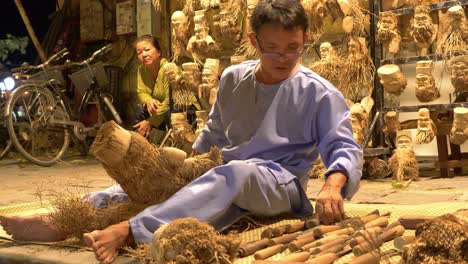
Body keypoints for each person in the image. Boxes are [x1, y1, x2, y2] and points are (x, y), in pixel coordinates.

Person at [0, 1, 363, 263]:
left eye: (294, 49)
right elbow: (215, 130)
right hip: (224, 171)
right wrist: (181, 169)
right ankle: (63, 219)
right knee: (159, 176)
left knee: (234, 173)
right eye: (272, 49)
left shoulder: (319, 93)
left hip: (279, 184)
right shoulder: (234, 78)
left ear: (306, 39)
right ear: (253, 41)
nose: (284, 58)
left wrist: (333, 184)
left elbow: (343, 146)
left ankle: (131, 230)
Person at [132, 35, 171, 142]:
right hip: (158, 110)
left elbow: (170, 101)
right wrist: (148, 100)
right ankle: (140, 146)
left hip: (175, 109)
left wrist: (150, 122)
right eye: (139, 53)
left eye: (147, 50)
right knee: (140, 109)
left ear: (158, 52)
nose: (144, 55)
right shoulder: (142, 70)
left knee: (168, 111)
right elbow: (141, 91)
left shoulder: (169, 68)